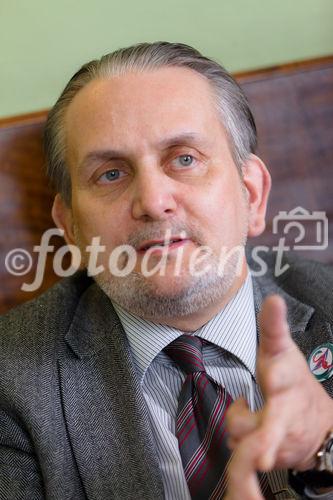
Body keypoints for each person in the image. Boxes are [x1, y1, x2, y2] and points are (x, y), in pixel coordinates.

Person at [0, 41, 332, 500]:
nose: (153, 202)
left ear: (251, 195)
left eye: (184, 159)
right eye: (111, 174)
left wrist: (324, 454)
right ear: (71, 228)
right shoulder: (10, 381)